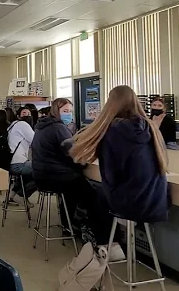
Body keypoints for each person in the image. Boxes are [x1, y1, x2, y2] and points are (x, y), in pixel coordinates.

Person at [32, 98, 124, 256]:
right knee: (97, 197)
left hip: (42, 175)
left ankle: (69, 225)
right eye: (65, 111)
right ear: (56, 111)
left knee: (77, 191)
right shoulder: (59, 128)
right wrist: (85, 161)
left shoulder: (43, 126)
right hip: (56, 177)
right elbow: (74, 157)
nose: (68, 115)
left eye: (70, 111)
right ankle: (105, 241)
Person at [71, 86, 169, 233]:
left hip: (130, 203)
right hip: (158, 200)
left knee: (92, 194)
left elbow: (110, 175)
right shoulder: (152, 128)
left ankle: (104, 243)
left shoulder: (113, 130)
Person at [8, 107, 37, 202]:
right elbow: (35, 141)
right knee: (44, 171)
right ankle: (22, 194)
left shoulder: (13, 124)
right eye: (24, 113)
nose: (27, 115)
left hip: (11, 162)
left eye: (29, 113)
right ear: (18, 116)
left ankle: (12, 195)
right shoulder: (23, 124)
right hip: (18, 164)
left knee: (28, 174)